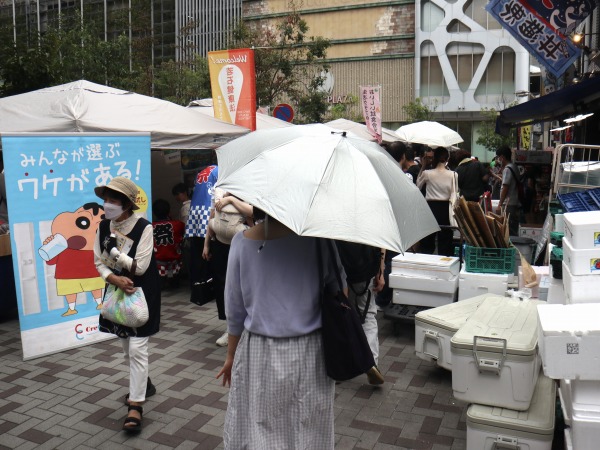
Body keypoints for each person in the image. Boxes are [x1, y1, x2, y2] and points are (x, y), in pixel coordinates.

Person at [217, 209, 346, 449]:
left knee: (259, 423)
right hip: (311, 349)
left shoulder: (240, 242)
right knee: (308, 422)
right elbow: (340, 290)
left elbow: (234, 309)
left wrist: (231, 356)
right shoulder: (320, 240)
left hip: (259, 349)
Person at [93, 177, 161, 433]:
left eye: (113, 201)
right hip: (117, 289)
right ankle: (145, 384)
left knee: (137, 348)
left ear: (127, 204)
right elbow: (97, 262)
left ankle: (136, 405)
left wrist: (114, 252)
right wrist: (112, 278)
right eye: (105, 200)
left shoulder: (144, 227)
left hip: (142, 292)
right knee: (126, 347)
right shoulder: (101, 227)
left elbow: (140, 267)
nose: (107, 205)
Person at [203, 189, 252, 347]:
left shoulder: (247, 185)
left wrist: (231, 199)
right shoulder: (219, 188)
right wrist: (206, 244)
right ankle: (229, 328)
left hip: (243, 244)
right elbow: (213, 218)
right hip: (220, 245)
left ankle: (247, 325)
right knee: (222, 285)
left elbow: (252, 214)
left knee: (244, 285)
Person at [335, 241, 385, 385]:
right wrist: (380, 270)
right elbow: (381, 238)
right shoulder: (374, 217)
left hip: (338, 267)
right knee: (367, 314)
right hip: (363, 267)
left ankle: (340, 366)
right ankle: (371, 362)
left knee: (339, 314)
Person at [186, 165, 218, 305]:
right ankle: (210, 287)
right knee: (211, 253)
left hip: (195, 212)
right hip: (208, 211)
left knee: (197, 253)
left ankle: (197, 287)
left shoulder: (202, 172)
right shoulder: (219, 170)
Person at [417, 147, 455, 257]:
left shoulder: (427, 173)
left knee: (428, 241)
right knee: (445, 241)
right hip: (446, 208)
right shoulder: (453, 174)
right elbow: (455, 193)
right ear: (447, 158)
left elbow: (417, 186)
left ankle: (427, 263)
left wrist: (423, 165)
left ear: (434, 158)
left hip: (430, 208)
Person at [152, 199, 184, 289]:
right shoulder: (178, 224)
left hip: (158, 263)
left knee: (159, 285)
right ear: (169, 211)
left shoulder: (150, 226)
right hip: (174, 262)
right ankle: (173, 284)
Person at [495, 145, 522, 236]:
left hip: (508, 203)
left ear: (502, 157)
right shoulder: (514, 166)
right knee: (512, 227)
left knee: (508, 229)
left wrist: (500, 204)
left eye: (499, 157)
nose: (498, 159)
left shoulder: (507, 169)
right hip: (515, 201)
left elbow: (505, 187)